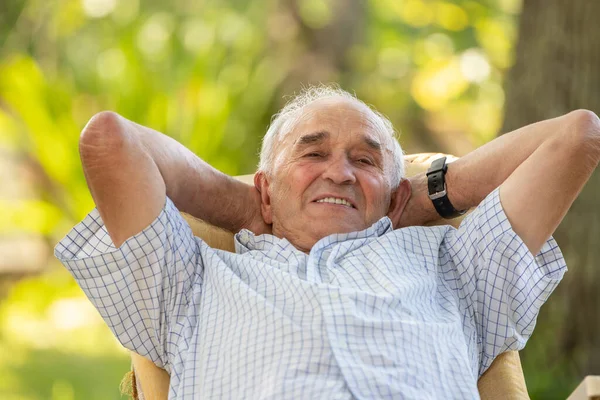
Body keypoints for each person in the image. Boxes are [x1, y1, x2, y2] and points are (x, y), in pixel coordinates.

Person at [55, 86, 600, 399]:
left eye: (364, 161)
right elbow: (109, 141)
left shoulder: (455, 268)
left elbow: (577, 136)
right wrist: (248, 205)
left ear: (393, 198)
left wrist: (429, 194)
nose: (339, 173)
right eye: (312, 155)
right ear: (266, 191)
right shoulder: (193, 279)